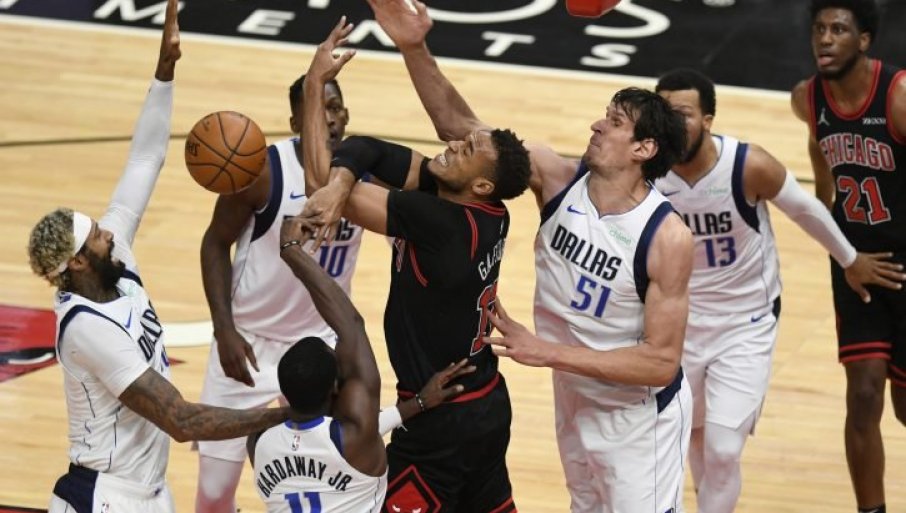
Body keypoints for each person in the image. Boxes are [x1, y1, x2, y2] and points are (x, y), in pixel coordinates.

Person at [362, 2, 692, 511]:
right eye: (604, 115)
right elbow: (461, 128)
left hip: (637, 415)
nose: (597, 125)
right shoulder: (557, 178)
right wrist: (413, 46)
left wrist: (545, 351)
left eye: (614, 122)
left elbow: (661, 362)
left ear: (644, 149)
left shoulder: (666, 237)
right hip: (575, 394)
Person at [25, 2, 292, 511]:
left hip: (149, 492)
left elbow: (145, 158)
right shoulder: (86, 329)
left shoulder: (115, 262)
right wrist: (282, 414)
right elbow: (181, 420)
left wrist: (164, 70)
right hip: (105, 496)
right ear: (76, 263)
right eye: (96, 235)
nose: (109, 232)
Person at [297, 17, 532, 513]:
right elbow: (368, 149)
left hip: (442, 417)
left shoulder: (440, 222)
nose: (453, 143)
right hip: (484, 398)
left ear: (481, 185)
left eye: (467, 150)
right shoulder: (486, 209)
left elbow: (317, 178)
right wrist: (343, 183)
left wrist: (315, 83)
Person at [654, 68, 904, 513]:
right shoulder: (646, 171)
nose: (673, 124)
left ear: (707, 120)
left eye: (684, 114)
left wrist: (850, 260)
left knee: (723, 449)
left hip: (744, 322)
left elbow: (807, 210)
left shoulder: (746, 165)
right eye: (665, 113)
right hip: (679, 320)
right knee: (693, 439)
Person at [193, 35, 365, 513]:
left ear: (347, 115)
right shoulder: (263, 172)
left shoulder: (364, 174)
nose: (330, 118)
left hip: (319, 346)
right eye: (319, 108)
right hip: (248, 346)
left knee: (327, 481)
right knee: (214, 492)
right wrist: (224, 330)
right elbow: (214, 243)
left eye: (336, 107)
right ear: (296, 122)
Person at [248, 215, 476, 513]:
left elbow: (333, 434)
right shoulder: (353, 438)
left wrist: (418, 403)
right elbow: (351, 325)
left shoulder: (258, 443)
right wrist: (291, 251)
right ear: (335, 387)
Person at [791, 1, 906, 512]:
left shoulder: (898, 97)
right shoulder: (807, 98)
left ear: (864, 40)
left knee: (904, 408)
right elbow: (821, 168)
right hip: (855, 263)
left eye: (838, 29)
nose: (825, 38)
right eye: (819, 28)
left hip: (904, 263)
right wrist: (840, 248)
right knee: (863, 394)